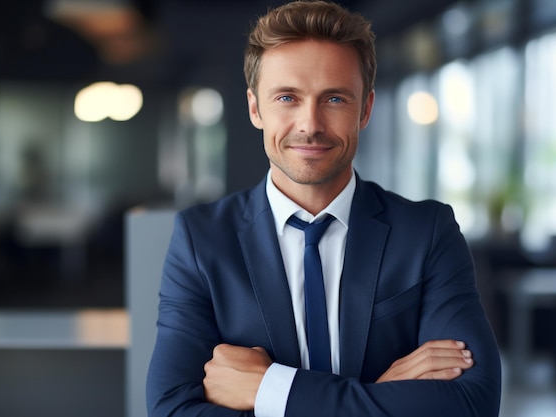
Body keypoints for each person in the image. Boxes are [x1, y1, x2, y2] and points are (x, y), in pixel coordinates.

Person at [146, 1, 502, 416]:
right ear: (255, 108)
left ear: (365, 109)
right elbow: (171, 409)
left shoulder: (426, 232)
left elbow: (471, 403)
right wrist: (374, 394)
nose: (310, 124)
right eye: (287, 97)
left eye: (334, 98)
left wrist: (271, 389)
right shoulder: (201, 239)